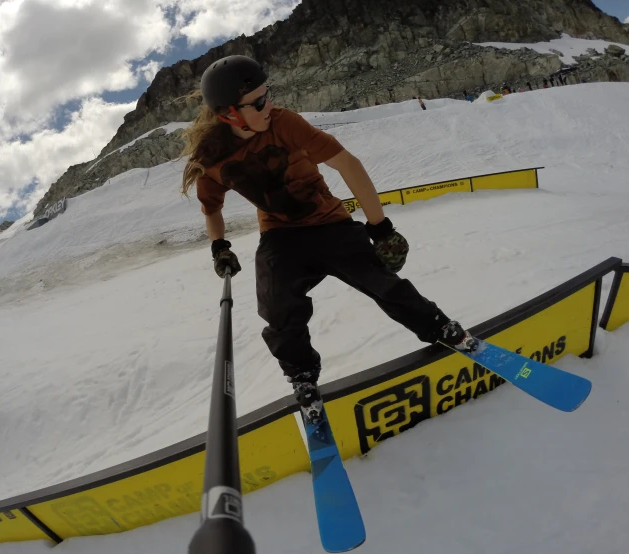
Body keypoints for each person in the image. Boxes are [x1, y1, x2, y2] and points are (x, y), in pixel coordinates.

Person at [181, 55, 474, 423]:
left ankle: (439, 327)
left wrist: (380, 227)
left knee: (380, 280)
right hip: (281, 236)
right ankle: (302, 375)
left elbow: (347, 164)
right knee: (276, 306)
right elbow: (211, 208)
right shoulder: (212, 159)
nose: (269, 105)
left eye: (267, 94)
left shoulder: (285, 123)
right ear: (229, 115)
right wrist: (219, 246)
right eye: (257, 102)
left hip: (330, 224)